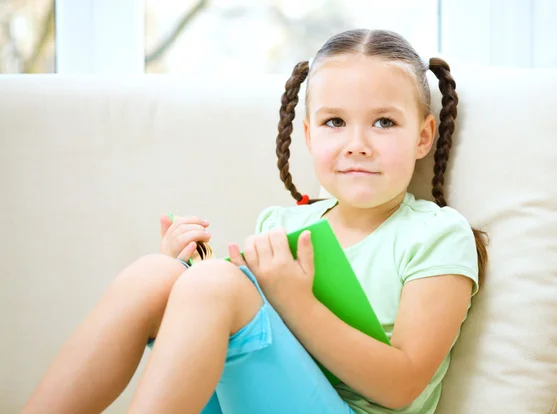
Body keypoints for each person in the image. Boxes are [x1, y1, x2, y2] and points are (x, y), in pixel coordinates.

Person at [22, 29, 487, 414]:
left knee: (216, 286)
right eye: (334, 123)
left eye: (384, 122)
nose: (357, 144)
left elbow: (402, 386)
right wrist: (186, 275)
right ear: (308, 134)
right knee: (157, 274)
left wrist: (293, 300)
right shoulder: (282, 223)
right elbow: (251, 334)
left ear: (423, 136)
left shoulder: (437, 234)